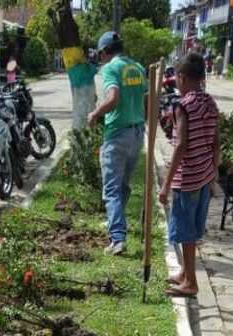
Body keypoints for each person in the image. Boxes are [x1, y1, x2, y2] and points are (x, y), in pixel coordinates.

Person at [158, 52, 220, 298]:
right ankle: (185, 272)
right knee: (191, 230)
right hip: (204, 177)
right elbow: (216, 143)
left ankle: (191, 282)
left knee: (185, 231)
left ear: (181, 77)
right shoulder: (210, 103)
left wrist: (166, 183)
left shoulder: (182, 106)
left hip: (187, 179)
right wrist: (213, 176)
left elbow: (181, 145)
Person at [87, 31, 147, 256]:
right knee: (122, 185)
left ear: (104, 52)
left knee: (111, 188)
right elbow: (148, 99)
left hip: (117, 134)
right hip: (137, 133)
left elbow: (113, 99)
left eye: (99, 54)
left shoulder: (111, 69)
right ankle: (116, 222)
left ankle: (118, 238)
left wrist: (95, 114)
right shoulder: (138, 68)